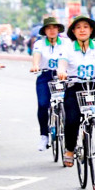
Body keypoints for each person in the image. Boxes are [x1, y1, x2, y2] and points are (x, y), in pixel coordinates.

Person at [56, 16, 95, 166]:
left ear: (91, 30)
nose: (82, 30)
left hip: (93, 85)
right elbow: (62, 63)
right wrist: (62, 72)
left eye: (86, 27)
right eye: (78, 27)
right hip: (74, 86)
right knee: (71, 119)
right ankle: (70, 150)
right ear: (73, 31)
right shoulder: (68, 47)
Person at [30, 15, 67, 151]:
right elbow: (37, 55)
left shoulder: (66, 43)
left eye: (54, 27)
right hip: (45, 76)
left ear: (58, 29)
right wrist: (35, 65)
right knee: (43, 104)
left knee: (69, 104)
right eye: (49, 28)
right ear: (44, 31)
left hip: (63, 76)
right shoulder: (39, 43)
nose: (52, 30)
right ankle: (44, 136)